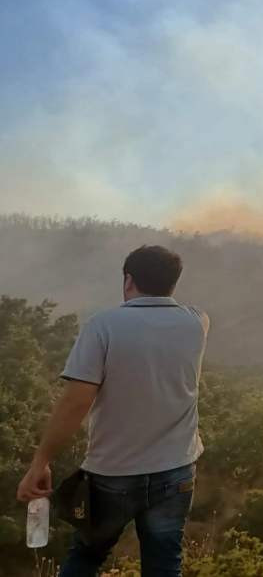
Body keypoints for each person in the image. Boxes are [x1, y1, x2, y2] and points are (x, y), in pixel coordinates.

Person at [15, 245, 209, 577]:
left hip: (114, 474)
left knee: (88, 555)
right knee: (164, 564)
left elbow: (77, 401)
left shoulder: (103, 325)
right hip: (176, 470)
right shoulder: (197, 322)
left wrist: (41, 461)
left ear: (128, 279)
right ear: (174, 283)